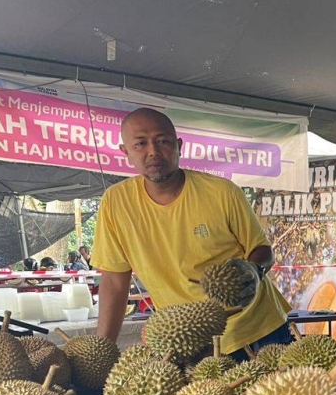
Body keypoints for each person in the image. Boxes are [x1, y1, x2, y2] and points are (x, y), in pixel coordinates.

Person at [91, 107, 291, 354]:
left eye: (163, 141)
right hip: (187, 338)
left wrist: (254, 269)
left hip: (255, 329)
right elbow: (114, 280)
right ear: (126, 153)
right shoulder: (116, 203)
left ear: (179, 146)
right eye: (141, 144)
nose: (153, 151)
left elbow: (262, 249)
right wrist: (102, 349)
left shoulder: (221, 192)